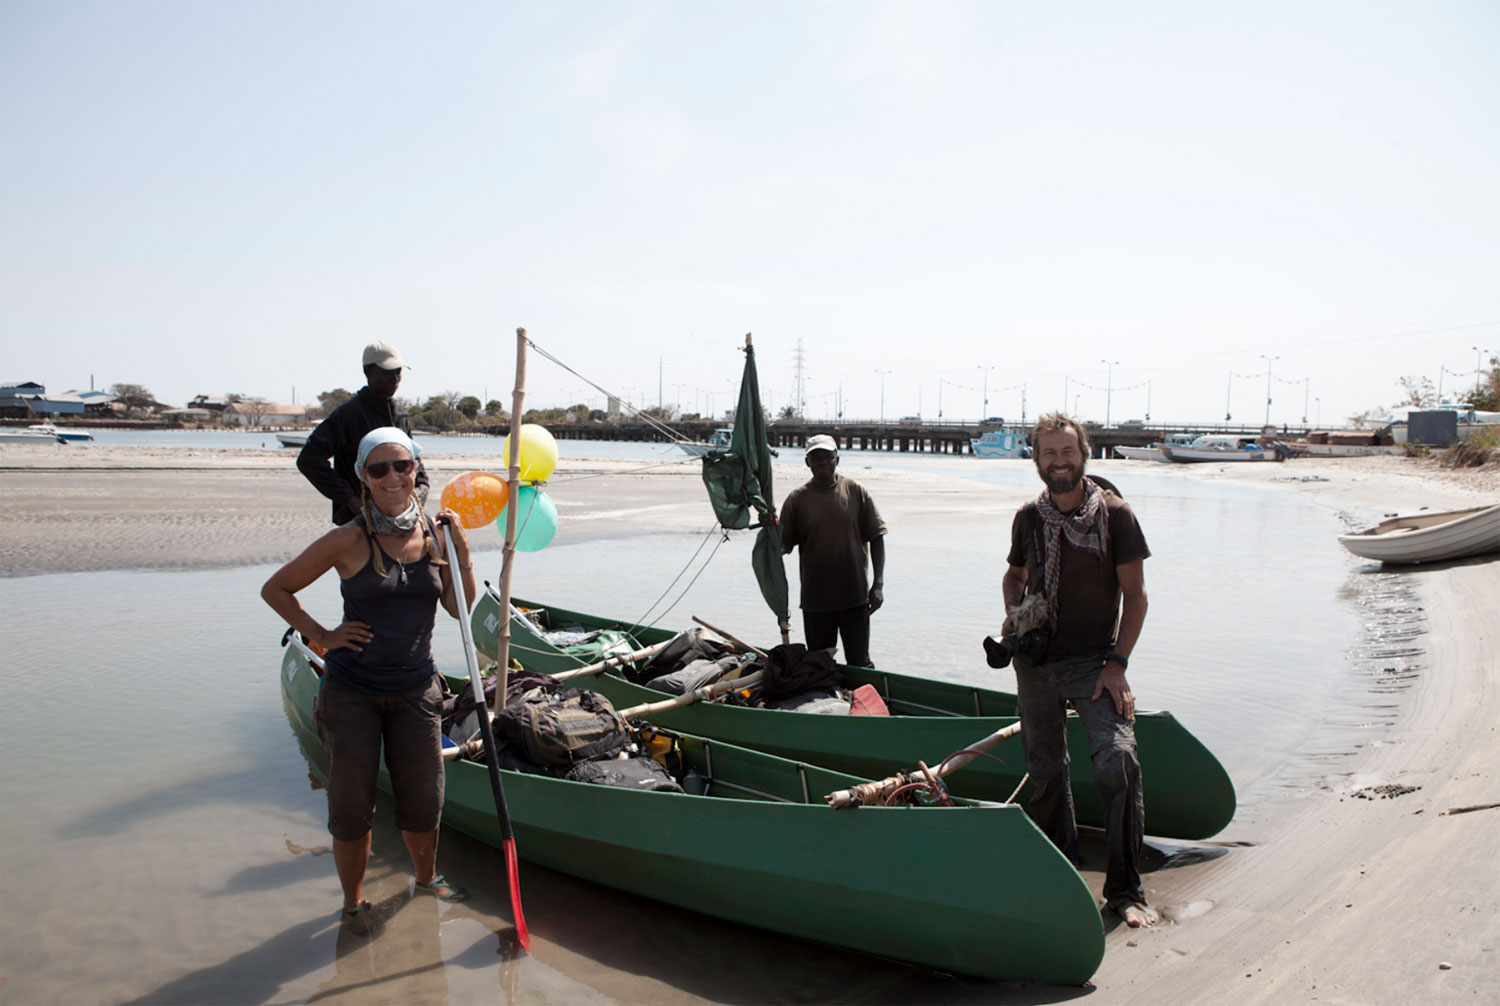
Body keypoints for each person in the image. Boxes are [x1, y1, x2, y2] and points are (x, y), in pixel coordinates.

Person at [263, 427, 475, 934]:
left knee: (424, 799)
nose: (392, 477)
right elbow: (277, 589)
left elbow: (457, 608)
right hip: (352, 693)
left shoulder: (437, 534)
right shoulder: (349, 538)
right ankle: (354, 903)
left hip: (415, 690)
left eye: (402, 465)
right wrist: (323, 636)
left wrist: (462, 552)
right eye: (379, 468)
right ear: (362, 476)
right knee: (351, 804)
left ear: (416, 469)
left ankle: (426, 879)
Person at [1000, 411, 1156, 928]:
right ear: (1036, 459)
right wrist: (1016, 615)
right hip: (1037, 663)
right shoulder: (1028, 517)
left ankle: (1125, 891)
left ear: (1084, 455)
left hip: (1095, 663)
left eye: (1067, 451)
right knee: (1045, 771)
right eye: (1049, 452)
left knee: (1118, 762)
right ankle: (1062, 874)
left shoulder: (1115, 515)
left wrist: (1117, 665)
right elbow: (1013, 575)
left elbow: (1136, 597)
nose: (1059, 461)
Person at [780, 433, 887, 667]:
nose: (823, 463)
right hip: (816, 600)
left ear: (837, 459)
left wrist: (878, 585)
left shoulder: (856, 491)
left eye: (828, 457)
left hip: (855, 598)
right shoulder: (797, 499)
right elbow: (782, 545)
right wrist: (770, 533)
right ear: (807, 463)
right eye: (816, 458)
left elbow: (877, 536)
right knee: (819, 664)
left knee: (860, 662)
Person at [298, 341, 430, 525]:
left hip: (400, 517)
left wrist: (422, 485)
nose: (394, 378)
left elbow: (413, 459)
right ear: (368, 371)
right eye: (388, 372)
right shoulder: (348, 415)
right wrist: (350, 499)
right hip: (358, 522)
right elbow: (309, 459)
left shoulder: (400, 416)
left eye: (398, 372)